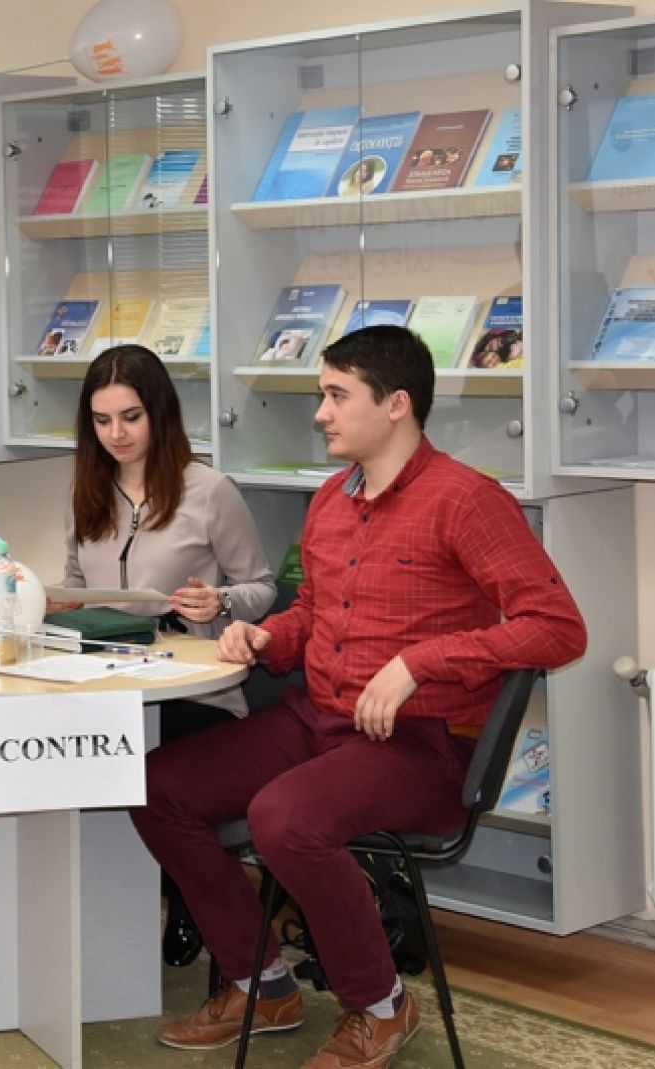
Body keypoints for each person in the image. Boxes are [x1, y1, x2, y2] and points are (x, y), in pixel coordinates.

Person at [129, 325, 586, 1068]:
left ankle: (380, 1004)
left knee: (285, 817)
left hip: (424, 744)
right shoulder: (331, 502)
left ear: (396, 404)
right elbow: (313, 615)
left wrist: (419, 663)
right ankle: (261, 983)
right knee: (155, 787)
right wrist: (266, 636)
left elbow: (558, 628)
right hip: (318, 720)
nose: (321, 413)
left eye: (337, 396)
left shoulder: (468, 501)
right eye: (322, 395)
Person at [51, 344, 276, 969]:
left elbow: (261, 586)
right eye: (101, 421)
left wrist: (220, 601)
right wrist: (53, 600)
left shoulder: (210, 490)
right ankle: (95, 914)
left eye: (131, 417)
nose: (116, 434)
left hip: (194, 689)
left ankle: (186, 894)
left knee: (152, 763)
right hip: (103, 674)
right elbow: (76, 581)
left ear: (160, 413)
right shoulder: (86, 489)